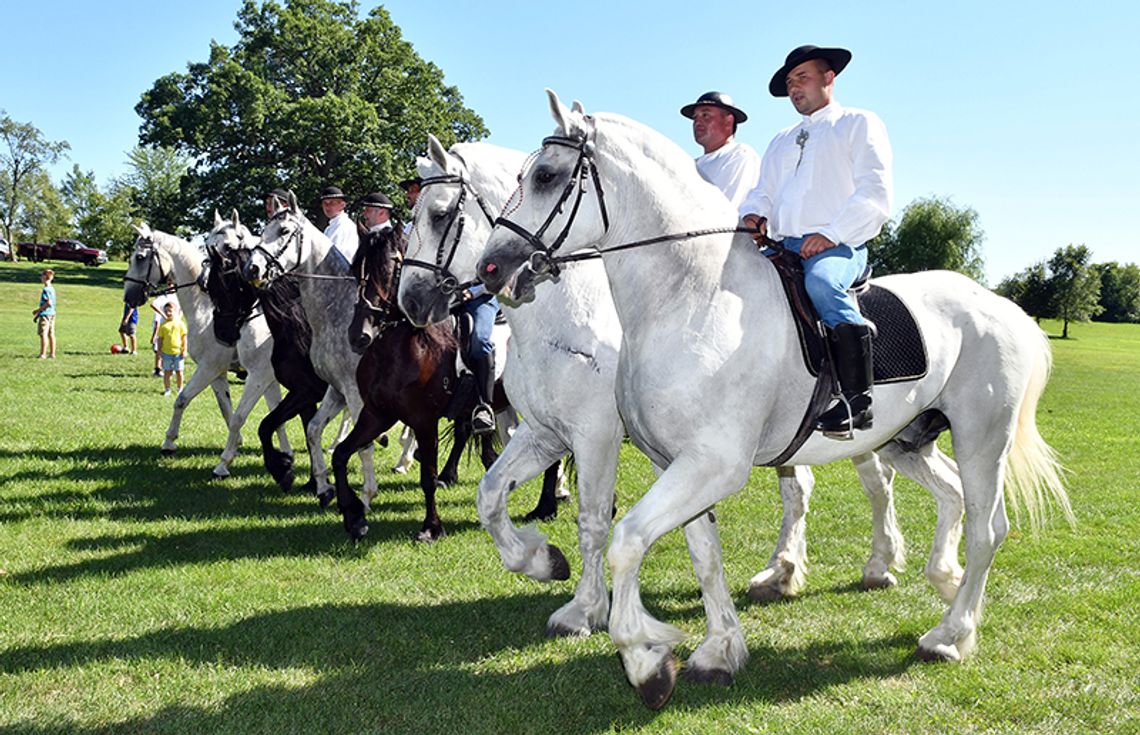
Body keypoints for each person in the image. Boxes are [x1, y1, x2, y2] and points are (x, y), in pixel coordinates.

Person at [740, 45, 892, 437]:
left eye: (802, 78)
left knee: (822, 283)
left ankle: (857, 402)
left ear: (829, 78)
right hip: (783, 246)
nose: (794, 88)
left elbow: (875, 192)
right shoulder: (781, 139)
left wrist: (831, 234)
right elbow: (763, 191)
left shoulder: (858, 123)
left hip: (842, 246)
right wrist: (753, 215)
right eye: (789, 83)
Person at [680, 91, 762, 209]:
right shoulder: (691, 165)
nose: (697, 122)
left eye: (705, 115)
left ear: (728, 121)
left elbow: (724, 209)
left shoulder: (739, 155)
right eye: (695, 117)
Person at [320, 185, 359, 266]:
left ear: (342, 205)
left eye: (332, 203)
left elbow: (336, 257)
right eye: (325, 203)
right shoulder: (329, 228)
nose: (327, 206)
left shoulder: (345, 226)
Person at [156, 301, 188, 396]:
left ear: (176, 311)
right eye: (166, 311)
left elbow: (184, 338)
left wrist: (184, 349)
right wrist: (159, 351)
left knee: (179, 372)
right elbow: (160, 339)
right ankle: (167, 389)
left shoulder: (180, 324)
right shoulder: (163, 325)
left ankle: (180, 389)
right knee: (167, 372)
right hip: (166, 353)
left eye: (170, 311)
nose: (168, 313)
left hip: (178, 352)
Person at [149, 293, 177, 377]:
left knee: (170, 348)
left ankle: (170, 368)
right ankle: (158, 368)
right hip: (163, 328)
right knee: (159, 349)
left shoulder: (177, 296)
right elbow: (153, 305)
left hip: (173, 327)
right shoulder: (162, 297)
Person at [32, 268, 57, 359]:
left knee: (43, 334)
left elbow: (48, 302)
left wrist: (38, 311)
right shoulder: (52, 289)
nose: (40, 277)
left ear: (45, 277)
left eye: (42, 276)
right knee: (51, 334)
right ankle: (52, 353)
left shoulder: (46, 289)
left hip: (45, 314)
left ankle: (43, 354)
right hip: (52, 314)